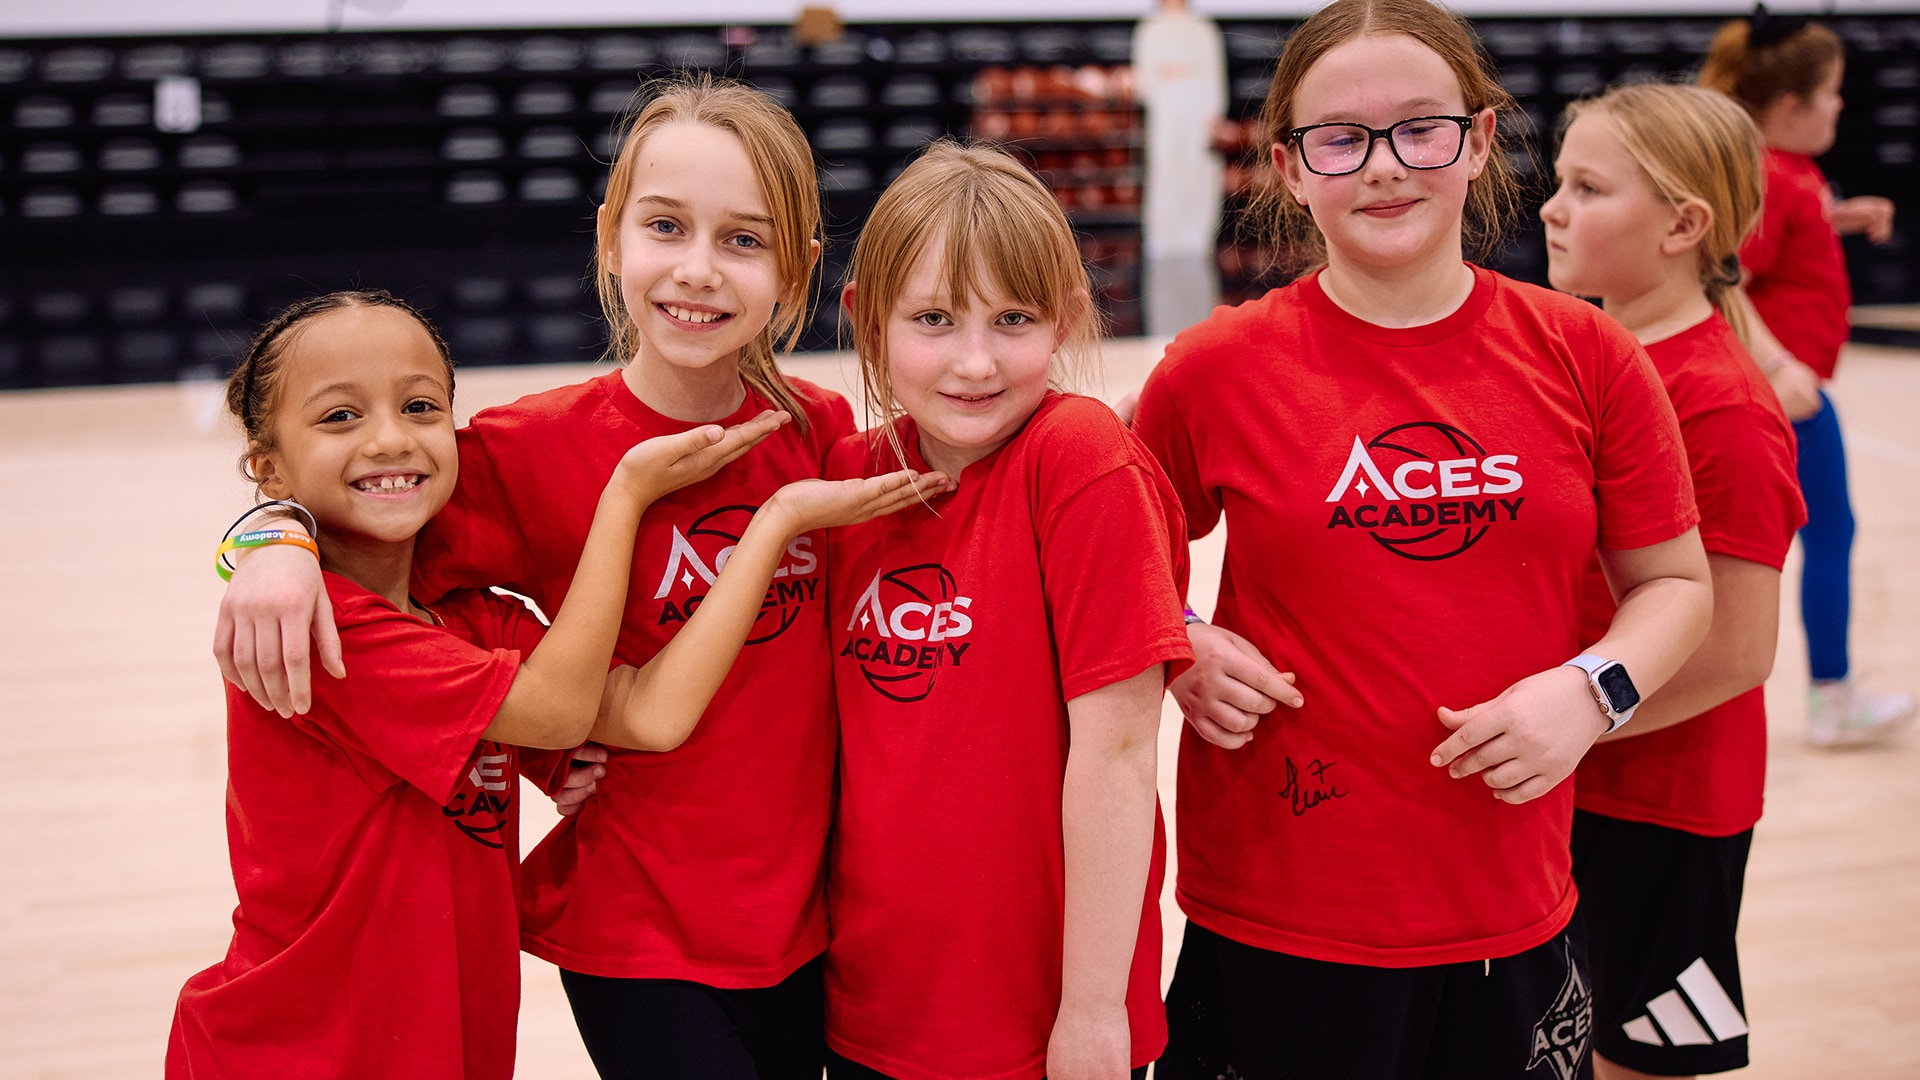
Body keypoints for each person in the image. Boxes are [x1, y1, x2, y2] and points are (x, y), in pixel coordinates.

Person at [207, 77, 923, 1079]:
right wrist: (266, 539)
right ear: (609, 239)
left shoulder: (819, 433)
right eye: (666, 227)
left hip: (814, 923)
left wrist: (1181, 615)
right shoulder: (523, 454)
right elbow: (359, 504)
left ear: (797, 267)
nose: (699, 272)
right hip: (636, 926)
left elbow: (981, 538)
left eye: (743, 240)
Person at [1133, 2, 1714, 1077]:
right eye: (1341, 138)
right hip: (1281, 903)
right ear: (1291, 167)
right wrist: (1179, 639)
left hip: (1513, 895)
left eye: (1420, 129)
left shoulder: (1587, 354)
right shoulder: (1214, 369)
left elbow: (1676, 584)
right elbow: (1112, 561)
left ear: (1480, 140)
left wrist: (1592, 693)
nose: (1385, 168)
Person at [822, 141, 1193, 1080]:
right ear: (870, 321)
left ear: (1066, 316)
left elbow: (1115, 751)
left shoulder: (1078, 458)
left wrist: (1095, 1010)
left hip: (1045, 1018)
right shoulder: (847, 480)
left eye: (1013, 318)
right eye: (934, 319)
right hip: (874, 1004)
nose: (975, 361)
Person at [1541, 82, 1806, 1080]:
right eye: (1560, 182)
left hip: (1662, 801)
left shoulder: (1723, 408)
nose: (1552, 208)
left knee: (1642, 1062)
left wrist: (1569, 725)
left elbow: (1739, 649)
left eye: (1588, 187)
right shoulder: (1580, 355)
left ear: (1683, 224)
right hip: (1574, 783)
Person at [1700, 7, 1915, 746]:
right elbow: (1720, 280)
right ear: (1790, 106)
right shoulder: (1773, 178)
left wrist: (1838, 217)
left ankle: (1828, 692)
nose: (1841, 106)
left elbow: (1777, 243)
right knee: (1826, 536)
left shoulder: (1787, 174)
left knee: (1820, 534)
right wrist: (1778, 366)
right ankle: (1831, 698)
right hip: (1782, 396)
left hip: (1786, 391)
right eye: (1831, 93)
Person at [1133, 0, 1228, 336]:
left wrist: (1211, 114)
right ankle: (1167, 236)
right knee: (1168, 174)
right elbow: (1146, 81)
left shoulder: (1203, 29)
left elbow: (1213, 75)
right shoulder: (1150, 29)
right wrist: (1170, 81)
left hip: (1198, 110)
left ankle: (1196, 234)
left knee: (1199, 172)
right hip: (1168, 112)